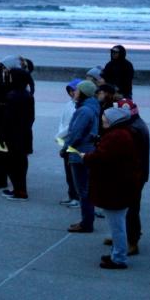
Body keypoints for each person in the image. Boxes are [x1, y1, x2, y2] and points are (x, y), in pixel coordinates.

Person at [83, 106, 142, 269]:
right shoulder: (124, 133)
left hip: (115, 188)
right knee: (118, 223)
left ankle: (119, 258)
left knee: (117, 226)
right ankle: (116, 252)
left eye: (105, 119)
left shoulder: (116, 136)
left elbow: (101, 157)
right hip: (121, 186)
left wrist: (86, 157)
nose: (102, 121)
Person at [64, 80, 101, 233]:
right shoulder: (92, 107)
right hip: (86, 151)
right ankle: (86, 221)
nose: (74, 93)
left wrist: (66, 148)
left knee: (83, 190)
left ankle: (86, 223)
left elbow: (76, 133)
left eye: (77, 90)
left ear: (84, 93)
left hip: (79, 153)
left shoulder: (84, 110)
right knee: (85, 189)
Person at [1, 68, 35, 201]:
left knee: (13, 163)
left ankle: (19, 191)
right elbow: (31, 118)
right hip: (24, 134)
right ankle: (19, 189)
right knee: (20, 163)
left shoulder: (13, 95)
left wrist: (3, 134)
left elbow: (7, 118)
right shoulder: (27, 95)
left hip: (13, 135)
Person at [55, 79, 82, 208]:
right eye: (70, 90)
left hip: (73, 143)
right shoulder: (69, 104)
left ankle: (77, 197)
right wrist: (60, 134)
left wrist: (59, 135)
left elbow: (73, 126)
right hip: (65, 141)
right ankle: (71, 195)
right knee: (68, 171)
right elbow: (62, 120)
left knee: (75, 172)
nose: (72, 93)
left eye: (74, 90)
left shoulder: (80, 107)